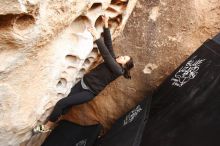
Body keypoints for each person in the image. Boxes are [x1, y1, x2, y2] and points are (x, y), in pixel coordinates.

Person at [33, 15, 134, 133]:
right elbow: (108, 44)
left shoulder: (118, 71)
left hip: (88, 92)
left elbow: (106, 54)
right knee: (67, 106)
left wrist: (97, 37)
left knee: (62, 103)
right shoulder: (114, 60)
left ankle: (47, 127)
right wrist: (106, 24)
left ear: (124, 66)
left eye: (124, 59)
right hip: (82, 83)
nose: (121, 56)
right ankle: (57, 119)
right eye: (123, 56)